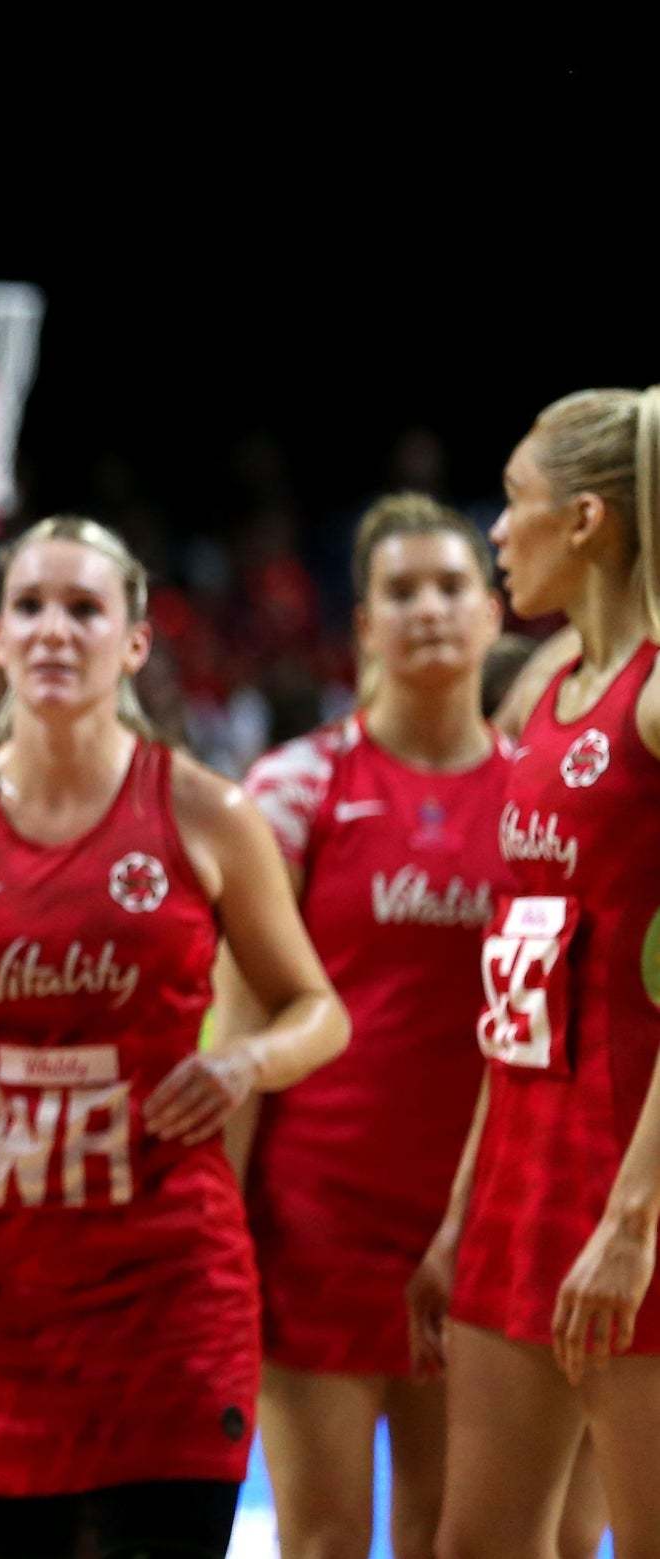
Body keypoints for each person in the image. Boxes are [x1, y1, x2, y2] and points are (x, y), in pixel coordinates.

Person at [0, 515, 347, 1559]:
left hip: (166, 1290)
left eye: (83, 608)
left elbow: (317, 1009)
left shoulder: (207, 812)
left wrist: (243, 1059)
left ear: (135, 642)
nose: (54, 630)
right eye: (28, 607)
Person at [225, 495, 510, 1559]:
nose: (428, 608)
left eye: (450, 586)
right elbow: (239, 1027)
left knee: (451, 1538)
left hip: (473, 1225)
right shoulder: (293, 788)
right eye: (400, 590)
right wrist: (224, 1230)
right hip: (312, 1225)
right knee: (323, 1540)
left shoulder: (534, 793)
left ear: (491, 614)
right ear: (359, 626)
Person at [412, 386, 660, 1558]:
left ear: (586, 521)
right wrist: (464, 1202)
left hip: (629, 1185)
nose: (492, 533)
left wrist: (631, 1217)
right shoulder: (539, 700)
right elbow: (509, 998)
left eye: (511, 504)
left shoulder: (656, 694)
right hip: (521, 1175)